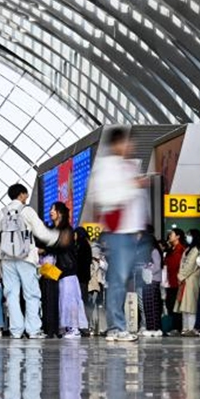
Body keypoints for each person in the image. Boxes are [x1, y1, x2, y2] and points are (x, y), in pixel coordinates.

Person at [90, 127, 147, 343]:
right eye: (126, 143)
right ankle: (116, 326)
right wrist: (132, 186)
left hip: (130, 232)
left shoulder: (128, 167)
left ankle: (116, 325)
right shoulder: (107, 168)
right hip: (118, 231)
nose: (129, 147)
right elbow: (105, 198)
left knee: (121, 280)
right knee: (117, 280)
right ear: (116, 144)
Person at [0, 183, 57, 340]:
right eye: (26, 194)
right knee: (31, 294)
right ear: (21, 195)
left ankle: (16, 330)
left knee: (12, 294)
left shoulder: (1, 213)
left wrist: (6, 247)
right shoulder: (27, 211)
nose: (27, 197)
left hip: (6, 258)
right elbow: (41, 232)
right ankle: (33, 330)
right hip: (26, 257)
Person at [48, 202, 88, 339]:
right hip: (60, 272)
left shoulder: (66, 230)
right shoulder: (57, 229)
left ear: (60, 213)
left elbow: (60, 246)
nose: (51, 211)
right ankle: (68, 327)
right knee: (64, 300)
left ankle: (74, 328)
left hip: (68, 271)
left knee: (70, 300)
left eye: (53, 209)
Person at [176, 229, 200, 337]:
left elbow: (190, 265)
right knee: (184, 305)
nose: (187, 237)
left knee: (190, 306)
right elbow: (182, 264)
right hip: (184, 280)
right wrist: (180, 276)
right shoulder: (188, 249)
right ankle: (185, 328)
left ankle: (191, 328)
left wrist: (181, 276)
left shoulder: (196, 250)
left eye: (189, 235)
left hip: (191, 280)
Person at [164, 229, 185, 335]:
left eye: (171, 234)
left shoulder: (181, 249)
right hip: (169, 281)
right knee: (170, 304)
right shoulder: (171, 249)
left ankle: (178, 327)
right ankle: (174, 327)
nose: (169, 236)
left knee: (176, 306)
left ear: (178, 236)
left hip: (177, 282)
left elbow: (176, 265)